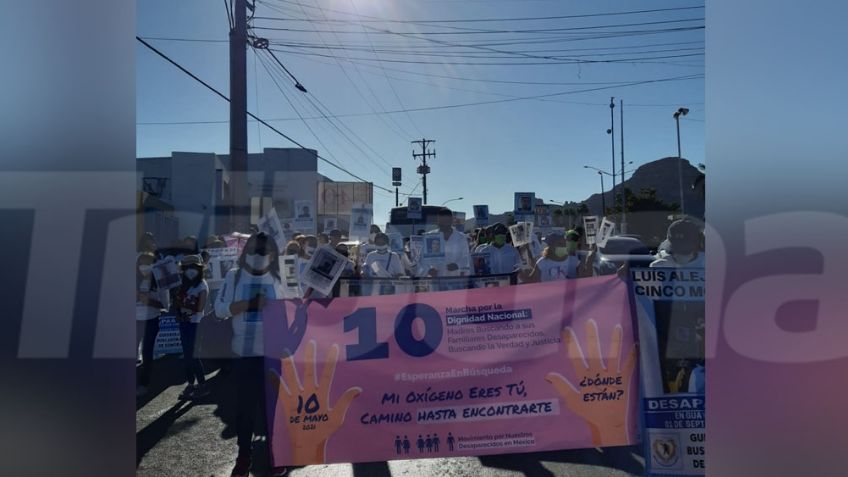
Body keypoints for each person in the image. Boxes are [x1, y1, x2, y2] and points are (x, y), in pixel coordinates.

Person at [214, 232, 291, 477]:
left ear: (273, 255)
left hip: (273, 355)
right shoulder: (234, 276)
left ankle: (275, 451)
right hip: (244, 357)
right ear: (245, 252)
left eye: (263, 251)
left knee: (274, 410)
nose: (258, 255)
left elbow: (294, 311)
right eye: (254, 250)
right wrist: (249, 305)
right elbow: (219, 310)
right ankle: (244, 456)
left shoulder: (280, 278)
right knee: (245, 410)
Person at [173, 255, 210, 400]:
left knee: (193, 355)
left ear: (199, 268)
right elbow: (177, 303)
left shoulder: (202, 285)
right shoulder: (183, 284)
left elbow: (200, 307)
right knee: (187, 356)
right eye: (187, 268)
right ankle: (190, 384)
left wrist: (182, 304)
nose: (190, 270)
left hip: (196, 324)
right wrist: (178, 312)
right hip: (184, 323)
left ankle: (202, 385)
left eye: (193, 267)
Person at [136, 252, 170, 396]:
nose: (144, 267)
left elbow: (166, 305)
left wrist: (149, 301)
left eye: (148, 264)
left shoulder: (160, 282)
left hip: (151, 320)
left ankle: (144, 383)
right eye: (141, 264)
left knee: (147, 352)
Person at [421, 208, 471, 277]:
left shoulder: (461, 238)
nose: (444, 224)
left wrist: (457, 265)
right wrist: (429, 269)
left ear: (452, 220)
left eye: (446, 222)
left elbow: (466, 258)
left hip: (456, 279)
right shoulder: (429, 237)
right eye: (441, 222)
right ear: (438, 221)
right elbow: (422, 260)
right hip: (435, 280)